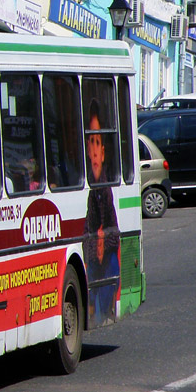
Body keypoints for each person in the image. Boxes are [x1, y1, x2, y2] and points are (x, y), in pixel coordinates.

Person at [83, 101, 120, 325]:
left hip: (106, 259)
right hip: (95, 262)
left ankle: (103, 314)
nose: (95, 151)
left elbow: (113, 233)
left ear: (103, 152)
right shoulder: (88, 190)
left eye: (98, 143)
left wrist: (101, 242)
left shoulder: (106, 189)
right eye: (91, 143)